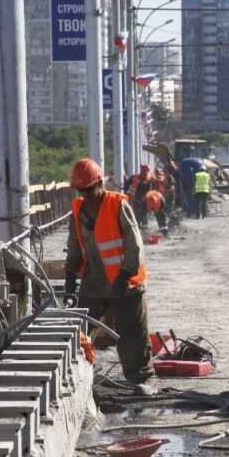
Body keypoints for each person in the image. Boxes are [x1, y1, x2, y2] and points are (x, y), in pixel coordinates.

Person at [65, 158, 156, 395]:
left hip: (126, 284)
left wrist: (125, 276)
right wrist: (69, 279)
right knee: (81, 332)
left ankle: (142, 379)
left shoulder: (117, 205)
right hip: (94, 283)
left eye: (88, 189)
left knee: (133, 334)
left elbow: (134, 244)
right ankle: (77, 377)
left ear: (98, 184)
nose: (85, 194)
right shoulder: (78, 211)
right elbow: (74, 245)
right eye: (81, 190)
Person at [125, 164, 154, 229]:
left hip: (144, 202)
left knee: (144, 216)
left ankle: (144, 231)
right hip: (135, 200)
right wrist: (126, 192)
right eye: (143, 171)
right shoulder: (134, 177)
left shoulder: (149, 179)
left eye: (146, 172)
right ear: (142, 171)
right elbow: (127, 184)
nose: (144, 173)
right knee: (136, 216)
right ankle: (138, 230)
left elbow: (150, 191)